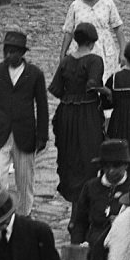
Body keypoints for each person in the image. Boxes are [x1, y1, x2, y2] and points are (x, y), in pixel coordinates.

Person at [0, 29, 50, 215]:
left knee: (24, 181)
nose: (9, 55)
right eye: (6, 51)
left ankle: (24, 216)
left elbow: (42, 107)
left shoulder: (35, 74)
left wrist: (42, 136)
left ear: (22, 53)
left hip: (24, 135)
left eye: (14, 52)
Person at [49, 22, 109, 203]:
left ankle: (75, 200)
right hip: (87, 113)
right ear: (91, 42)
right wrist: (106, 93)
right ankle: (87, 201)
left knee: (69, 156)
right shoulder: (95, 60)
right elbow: (93, 85)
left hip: (66, 113)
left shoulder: (66, 60)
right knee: (89, 155)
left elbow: (57, 89)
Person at [60, 0, 124, 67]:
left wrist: (122, 51)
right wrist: (62, 54)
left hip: (104, 50)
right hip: (80, 50)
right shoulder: (75, 6)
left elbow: (118, 27)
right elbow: (68, 31)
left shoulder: (108, 3)